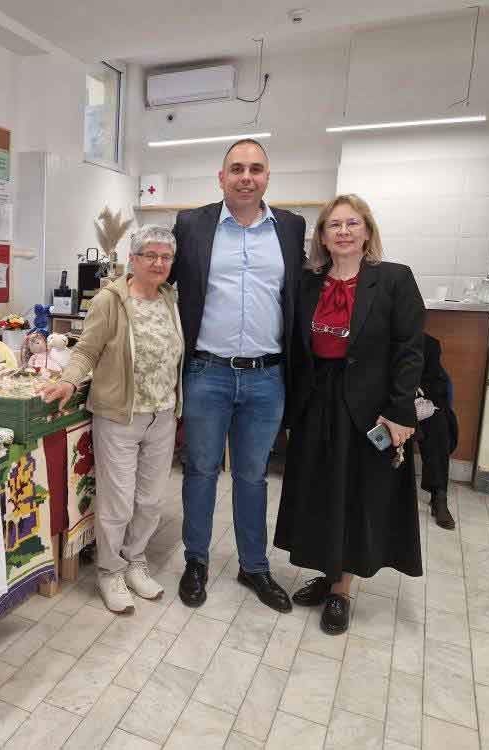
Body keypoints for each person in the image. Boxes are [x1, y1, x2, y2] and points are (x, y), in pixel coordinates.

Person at [274, 194, 425, 634]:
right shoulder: (308, 282)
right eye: (333, 225)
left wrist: (400, 412)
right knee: (320, 491)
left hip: (367, 407)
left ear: (367, 231)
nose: (343, 231)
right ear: (322, 236)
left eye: (352, 223)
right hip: (316, 400)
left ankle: (341, 590)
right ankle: (327, 572)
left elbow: (410, 350)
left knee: (355, 494)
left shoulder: (394, 279)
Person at [169, 139, 306, 613]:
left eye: (256, 169)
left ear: (267, 176)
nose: (246, 177)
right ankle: (196, 561)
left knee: (253, 476)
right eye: (237, 169)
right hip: (207, 372)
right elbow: (162, 282)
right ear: (221, 177)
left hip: (267, 377)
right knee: (200, 470)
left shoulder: (290, 227)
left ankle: (254, 566)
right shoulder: (192, 224)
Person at [41, 225, 184, 613]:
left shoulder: (170, 298)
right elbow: (86, 350)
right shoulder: (110, 300)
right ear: (132, 259)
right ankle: (110, 570)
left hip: (162, 413)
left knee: (150, 500)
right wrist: (69, 380)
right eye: (150, 255)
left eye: (166, 257)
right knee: (117, 501)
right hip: (119, 416)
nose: (158, 263)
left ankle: (135, 560)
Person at [417, 333, 459, 530]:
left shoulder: (428, 344)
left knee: (439, 425)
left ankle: (439, 497)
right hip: (386, 401)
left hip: (420, 399)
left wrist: (415, 394)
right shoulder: (375, 337)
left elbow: (436, 383)